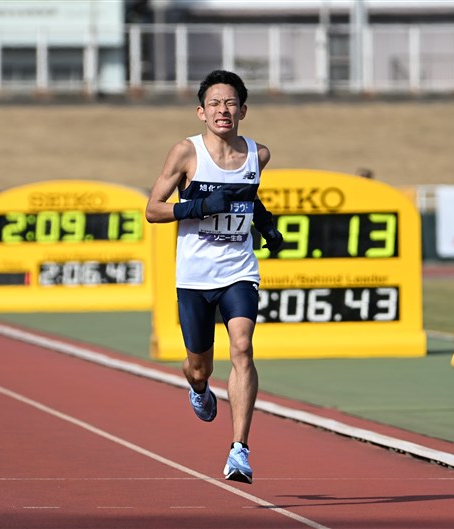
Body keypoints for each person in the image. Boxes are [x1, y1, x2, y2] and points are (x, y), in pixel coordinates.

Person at [145, 70, 283, 484]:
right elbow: (153, 210)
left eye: (231, 103)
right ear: (201, 112)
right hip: (194, 276)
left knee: (242, 347)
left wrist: (266, 225)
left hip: (239, 269)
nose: (223, 111)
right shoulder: (186, 154)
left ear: (243, 109)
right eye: (215, 104)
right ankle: (199, 389)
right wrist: (198, 206)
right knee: (199, 366)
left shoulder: (258, 155)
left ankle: (239, 450)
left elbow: (248, 197)